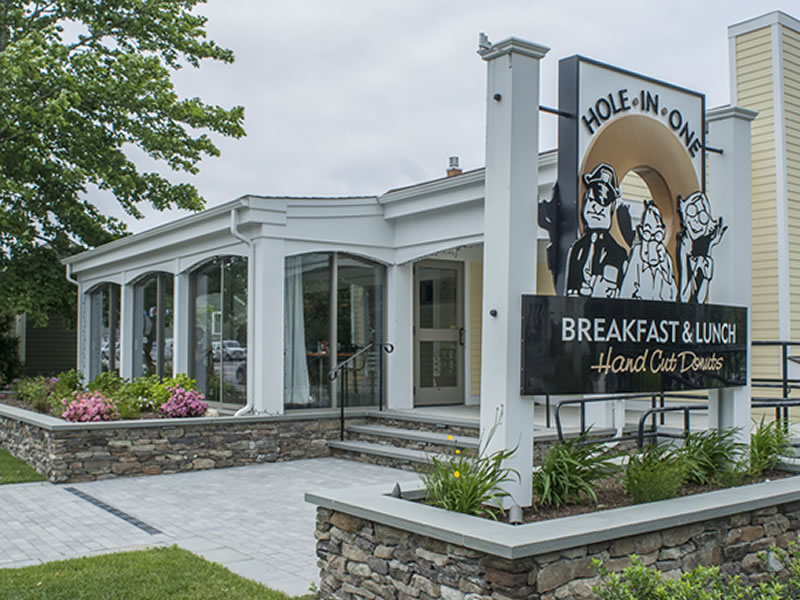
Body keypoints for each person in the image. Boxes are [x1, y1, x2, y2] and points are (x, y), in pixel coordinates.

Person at [565, 163, 629, 298]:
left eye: (604, 205)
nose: (597, 209)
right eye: (593, 201)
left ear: (611, 209)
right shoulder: (577, 248)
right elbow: (569, 289)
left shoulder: (618, 254)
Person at [620, 201, 677, 301]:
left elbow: (674, 296)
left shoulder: (665, 257)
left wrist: (665, 272)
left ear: (663, 233)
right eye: (647, 232)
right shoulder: (637, 253)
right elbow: (625, 293)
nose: (652, 239)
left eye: (657, 234)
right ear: (641, 232)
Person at [676, 191, 726, 303]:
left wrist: (706, 278)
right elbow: (683, 297)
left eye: (703, 217)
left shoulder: (705, 250)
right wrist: (694, 269)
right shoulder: (684, 246)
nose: (696, 221)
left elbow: (700, 300)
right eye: (692, 212)